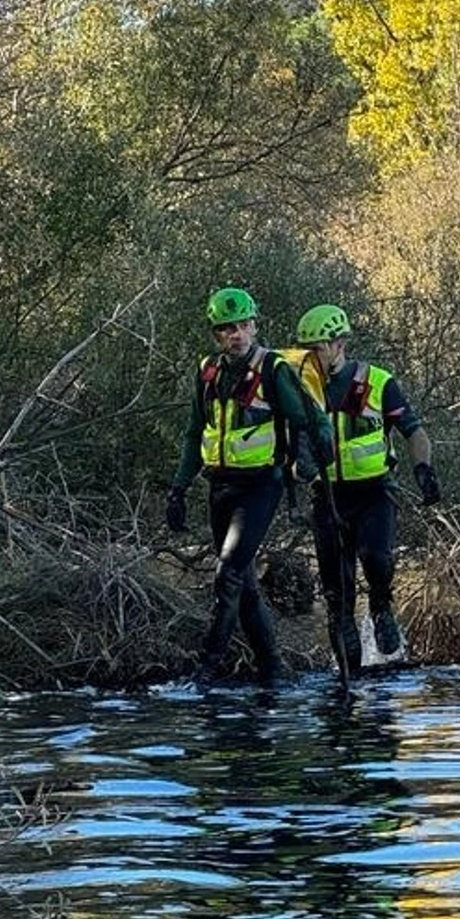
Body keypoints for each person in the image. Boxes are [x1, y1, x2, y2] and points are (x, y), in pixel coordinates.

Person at [167, 286, 332, 689]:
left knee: (228, 573)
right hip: (220, 486)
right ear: (216, 335)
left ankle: (205, 671)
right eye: (227, 329)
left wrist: (308, 465)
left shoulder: (273, 370)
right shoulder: (208, 371)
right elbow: (194, 432)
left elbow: (305, 421)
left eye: (243, 325)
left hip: (261, 486)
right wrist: (178, 489)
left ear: (255, 326)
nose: (236, 334)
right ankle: (273, 669)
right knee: (243, 586)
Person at [288, 303, 441, 675]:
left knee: (376, 557)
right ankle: (348, 679)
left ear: (339, 344)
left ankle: (381, 606)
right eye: (306, 350)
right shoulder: (299, 388)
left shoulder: (377, 382)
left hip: (375, 492)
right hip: (328, 496)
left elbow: (414, 431)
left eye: (318, 349)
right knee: (336, 593)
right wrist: (294, 473)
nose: (311, 358)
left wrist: (423, 470)